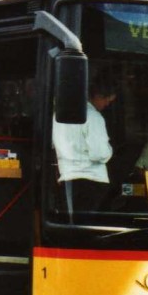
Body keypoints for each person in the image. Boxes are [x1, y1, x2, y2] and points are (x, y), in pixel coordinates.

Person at [52, 79, 117, 212]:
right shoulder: (93, 117)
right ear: (98, 96)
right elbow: (99, 153)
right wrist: (110, 149)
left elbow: (54, 146)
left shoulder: (58, 116)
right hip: (92, 180)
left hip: (67, 178)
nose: (107, 105)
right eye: (107, 100)